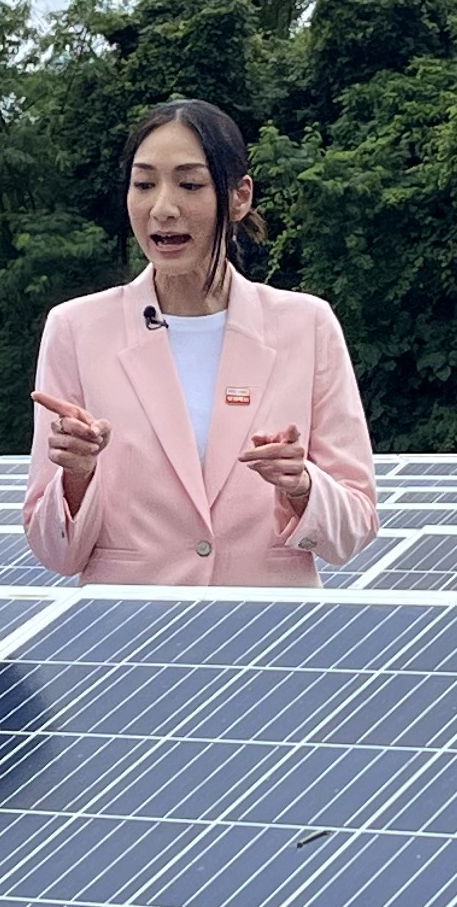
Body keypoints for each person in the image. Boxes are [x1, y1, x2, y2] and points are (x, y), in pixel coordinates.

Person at [22, 97, 378, 584]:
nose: (163, 208)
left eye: (190, 184)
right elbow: (55, 555)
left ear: (239, 196)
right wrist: (77, 475)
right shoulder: (76, 329)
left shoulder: (307, 325)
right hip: (125, 644)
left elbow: (354, 528)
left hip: (273, 643)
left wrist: (301, 487)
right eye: (144, 184)